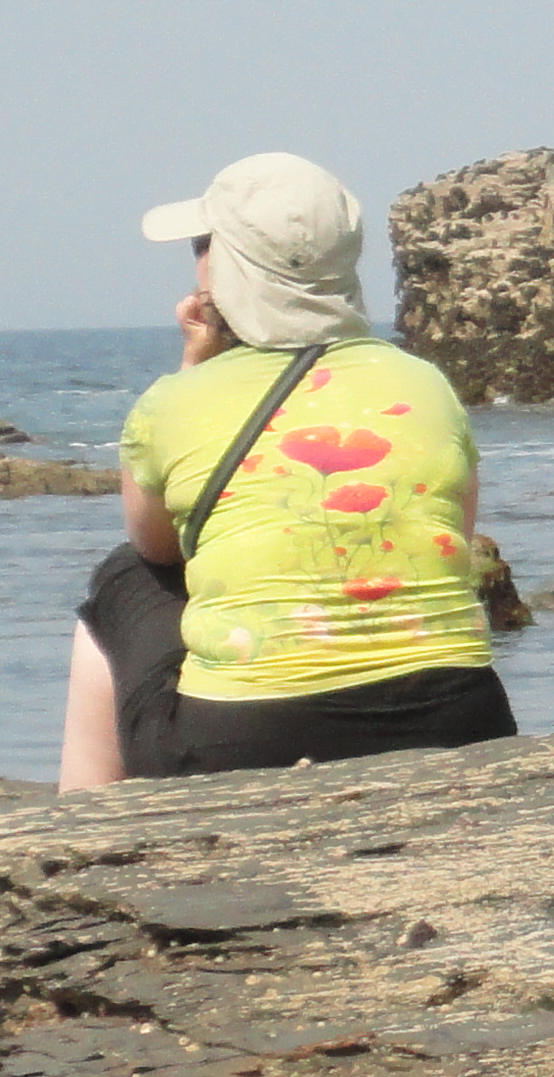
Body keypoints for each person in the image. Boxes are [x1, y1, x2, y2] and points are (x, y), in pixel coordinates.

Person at [58, 152, 517, 788]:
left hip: (248, 742)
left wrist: (198, 364)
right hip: (462, 720)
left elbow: (161, 546)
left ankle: (82, 823)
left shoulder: (172, 401)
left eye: (204, 245)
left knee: (123, 578)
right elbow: (456, 538)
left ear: (228, 270)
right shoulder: (426, 384)